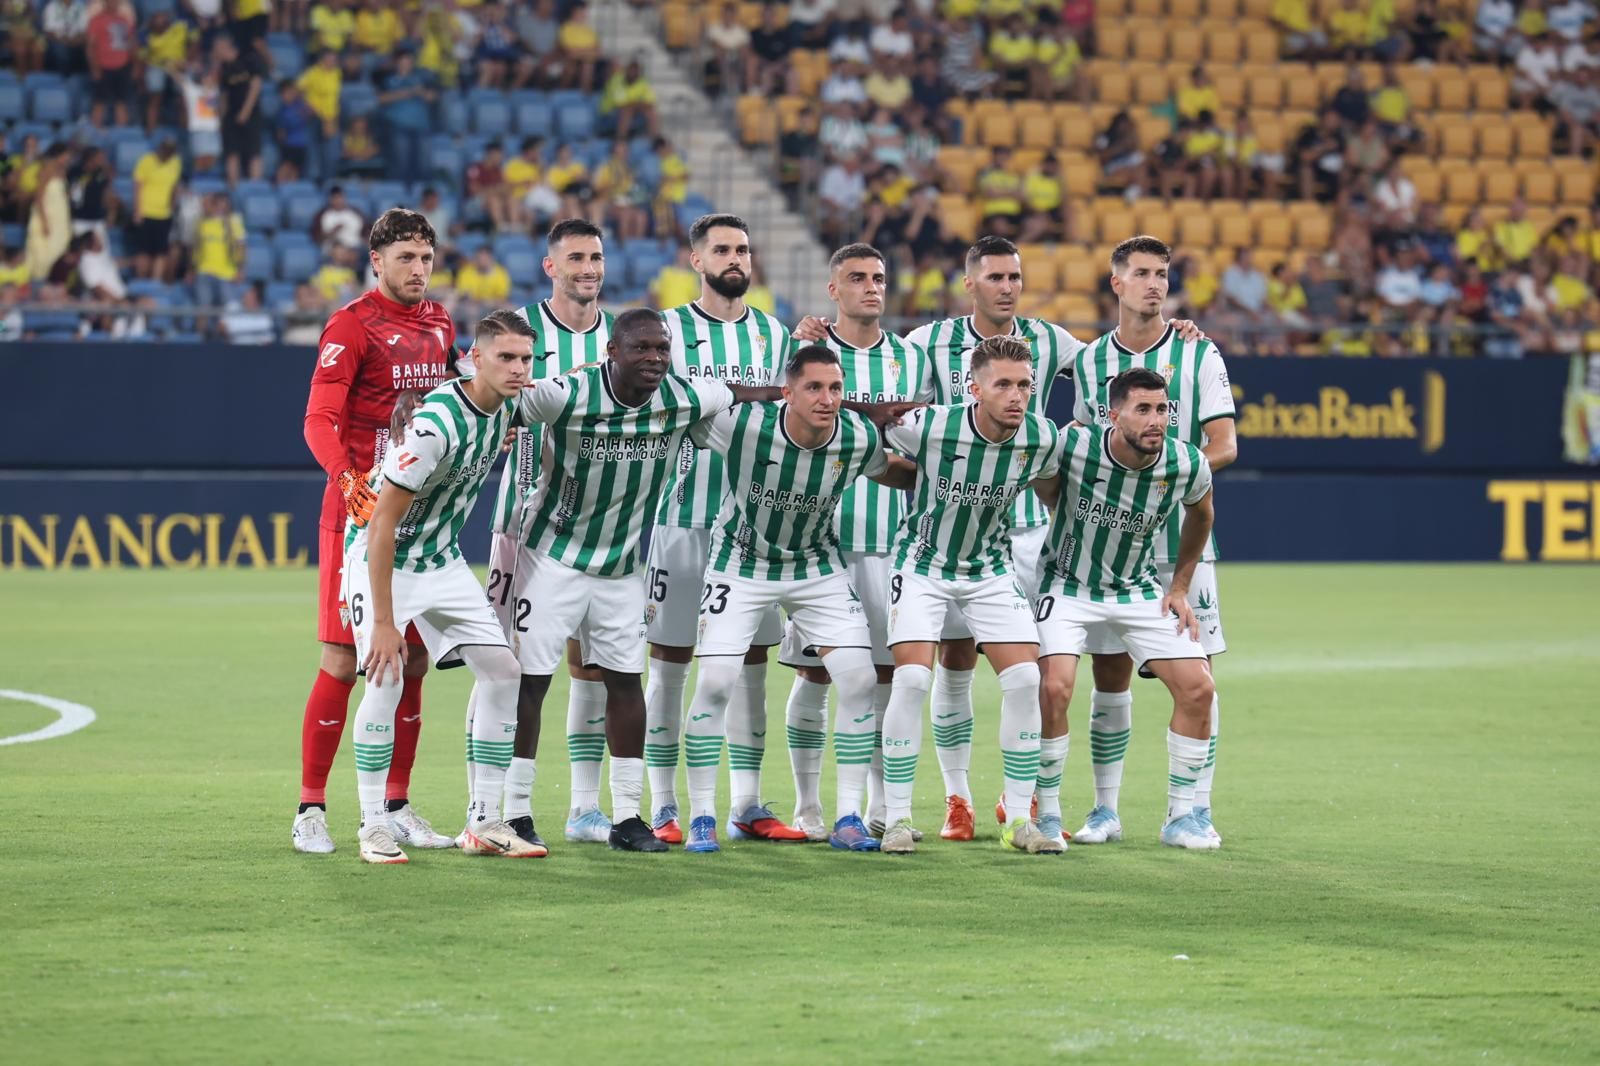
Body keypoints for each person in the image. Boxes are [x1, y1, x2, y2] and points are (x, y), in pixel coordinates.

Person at [499, 309, 786, 853]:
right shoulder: (567, 394)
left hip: (623, 566)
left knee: (626, 681)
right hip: (552, 557)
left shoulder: (683, 396)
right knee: (531, 681)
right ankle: (514, 813)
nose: (654, 358)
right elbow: (498, 398)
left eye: (662, 348)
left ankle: (629, 817)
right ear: (612, 351)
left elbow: (751, 395)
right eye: (642, 348)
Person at [678, 347, 915, 853]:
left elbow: (887, 470)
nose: (827, 399)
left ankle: (849, 815)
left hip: (816, 567)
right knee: (718, 679)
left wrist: (948, 478)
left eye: (835, 388)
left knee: (859, 678)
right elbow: (687, 416)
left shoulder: (855, 436)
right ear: (786, 393)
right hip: (741, 563)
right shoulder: (744, 426)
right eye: (813, 388)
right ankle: (701, 816)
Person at [344, 310, 543, 863]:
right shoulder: (438, 425)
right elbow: (381, 524)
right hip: (384, 558)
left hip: (442, 561)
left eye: (526, 358)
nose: (519, 368)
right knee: (385, 678)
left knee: (504, 672)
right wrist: (386, 623)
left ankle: (484, 821)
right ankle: (372, 826)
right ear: (475, 358)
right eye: (506, 357)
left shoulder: (506, 406)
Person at [292, 208, 457, 856]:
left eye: (426, 257)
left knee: (412, 659)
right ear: (377, 262)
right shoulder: (351, 326)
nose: (419, 270)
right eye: (406, 259)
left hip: (414, 521)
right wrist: (349, 482)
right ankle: (310, 807)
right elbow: (318, 420)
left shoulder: (440, 324)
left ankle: (397, 803)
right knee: (343, 659)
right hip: (358, 515)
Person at [1069, 235, 1238, 848]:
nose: (1154, 284)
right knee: (1109, 672)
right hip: (1109, 548)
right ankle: (1104, 810)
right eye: (1140, 273)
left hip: (1181, 544)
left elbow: (1224, 445)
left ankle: (1191, 810)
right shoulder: (1087, 364)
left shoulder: (1199, 354)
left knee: (1198, 676)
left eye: (1162, 273)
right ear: (1116, 284)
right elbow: (1080, 456)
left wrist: (1159, 481)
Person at [458, 218, 618, 847]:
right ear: (550, 266)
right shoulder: (519, 331)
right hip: (524, 528)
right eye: (576, 257)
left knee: (595, 666)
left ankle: (583, 808)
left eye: (597, 257)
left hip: (604, 531)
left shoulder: (624, 337)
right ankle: (488, 807)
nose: (589, 268)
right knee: (509, 668)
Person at [874, 336, 1063, 856]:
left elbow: (1052, 484)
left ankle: (1021, 820)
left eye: (1024, 384)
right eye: (1003, 384)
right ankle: (896, 818)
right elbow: (869, 425)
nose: (1016, 395)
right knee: (912, 678)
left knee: (1026, 677)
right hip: (923, 565)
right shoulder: (931, 425)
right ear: (974, 388)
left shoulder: (1042, 437)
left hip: (990, 568)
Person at [641, 215, 794, 845]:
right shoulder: (668, 330)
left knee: (751, 663)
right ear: (696, 261)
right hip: (679, 517)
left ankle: (748, 803)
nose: (737, 258)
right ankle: (665, 806)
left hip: (751, 528)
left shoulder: (771, 333)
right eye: (723, 250)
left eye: (744, 249)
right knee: (672, 660)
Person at [778, 244, 934, 842]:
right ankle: (807, 807)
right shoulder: (809, 354)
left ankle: (877, 809)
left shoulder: (909, 358)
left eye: (879, 278)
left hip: (896, 539)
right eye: (857, 279)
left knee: (887, 678)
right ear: (832, 289)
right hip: (826, 541)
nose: (871, 288)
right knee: (816, 675)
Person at [1032, 366, 1219, 852]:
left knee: (1199, 689)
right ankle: (1048, 813)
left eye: (1162, 410)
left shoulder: (1185, 463)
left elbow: (1202, 515)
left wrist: (1178, 586)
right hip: (1067, 586)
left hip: (1136, 590)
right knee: (1055, 688)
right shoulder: (1074, 447)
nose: (1156, 420)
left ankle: (1181, 817)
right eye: (1143, 410)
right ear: (1113, 415)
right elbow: (1040, 480)